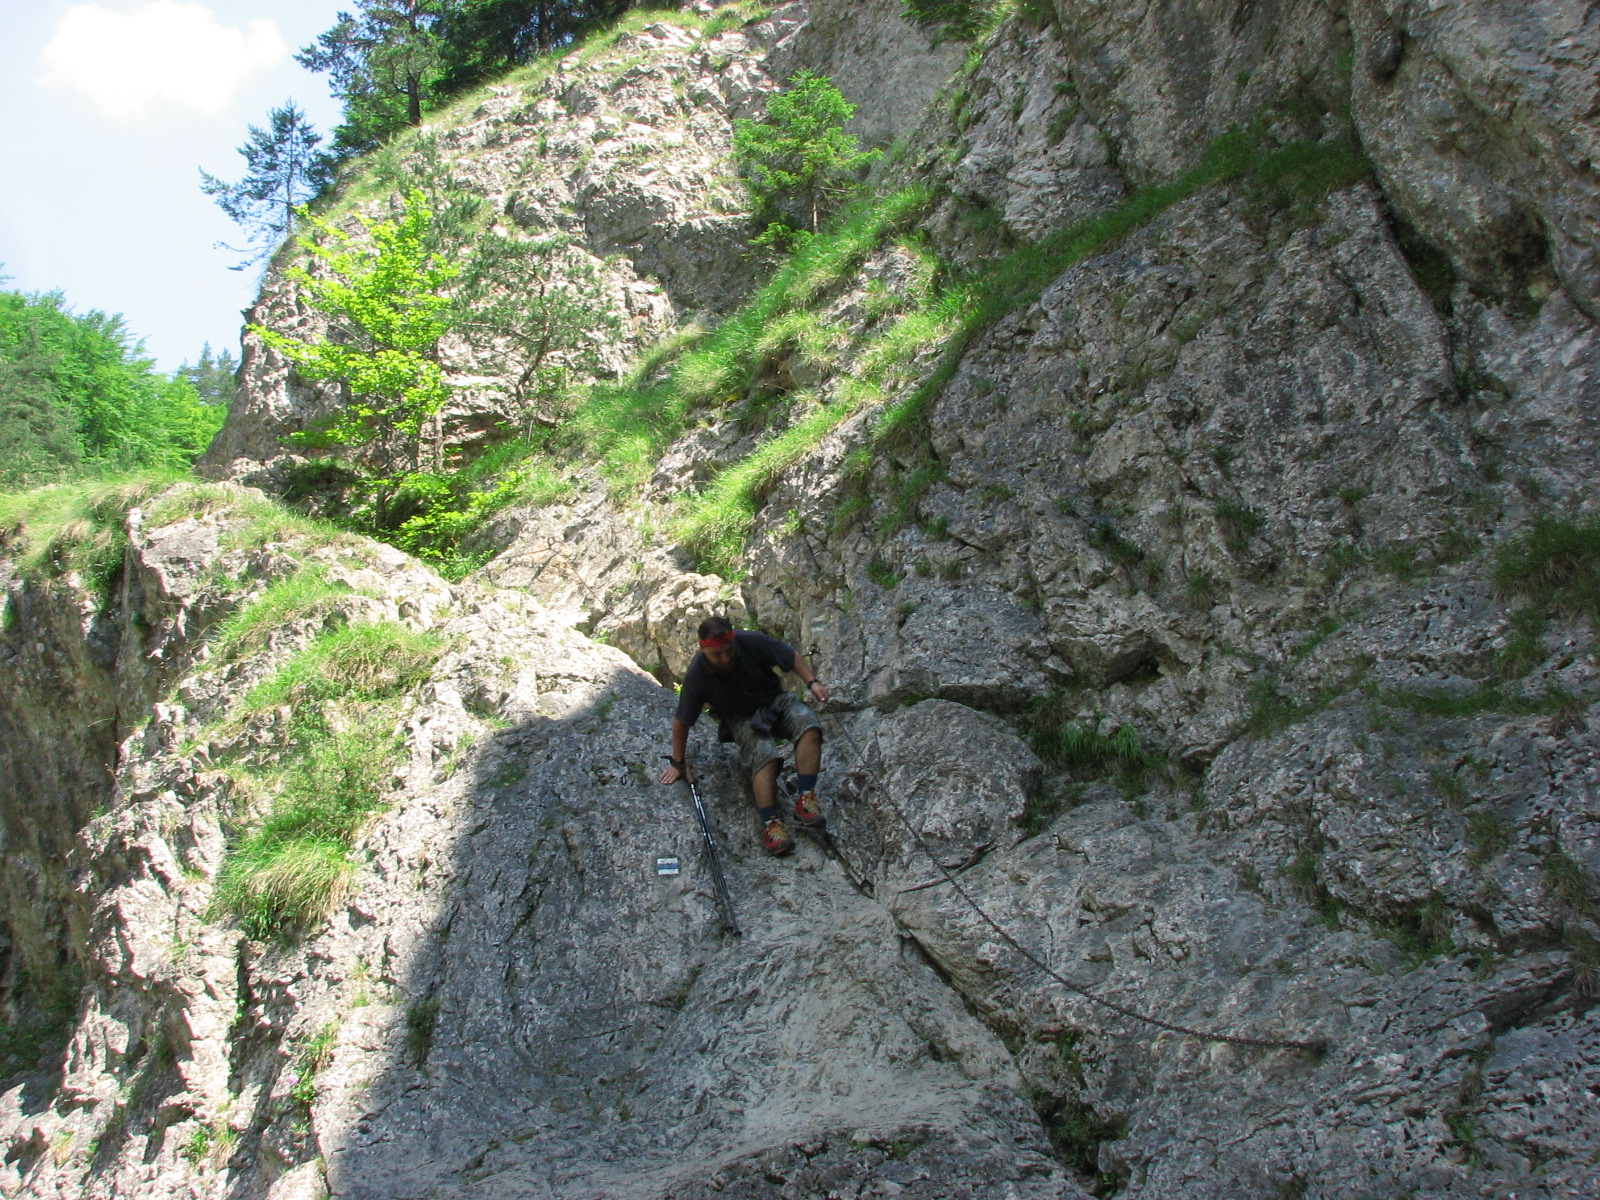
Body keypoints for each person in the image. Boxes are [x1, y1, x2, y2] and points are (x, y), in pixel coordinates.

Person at [658, 615, 831, 855]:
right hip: (741, 717)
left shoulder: (750, 641)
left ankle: (806, 798)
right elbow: (682, 721)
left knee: (808, 725)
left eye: (728, 650)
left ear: (733, 640)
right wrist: (678, 762)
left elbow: (791, 656)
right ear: (703, 649)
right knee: (765, 756)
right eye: (717, 654)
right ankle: (772, 825)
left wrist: (812, 682)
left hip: (776, 701)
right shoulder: (698, 674)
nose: (725, 658)